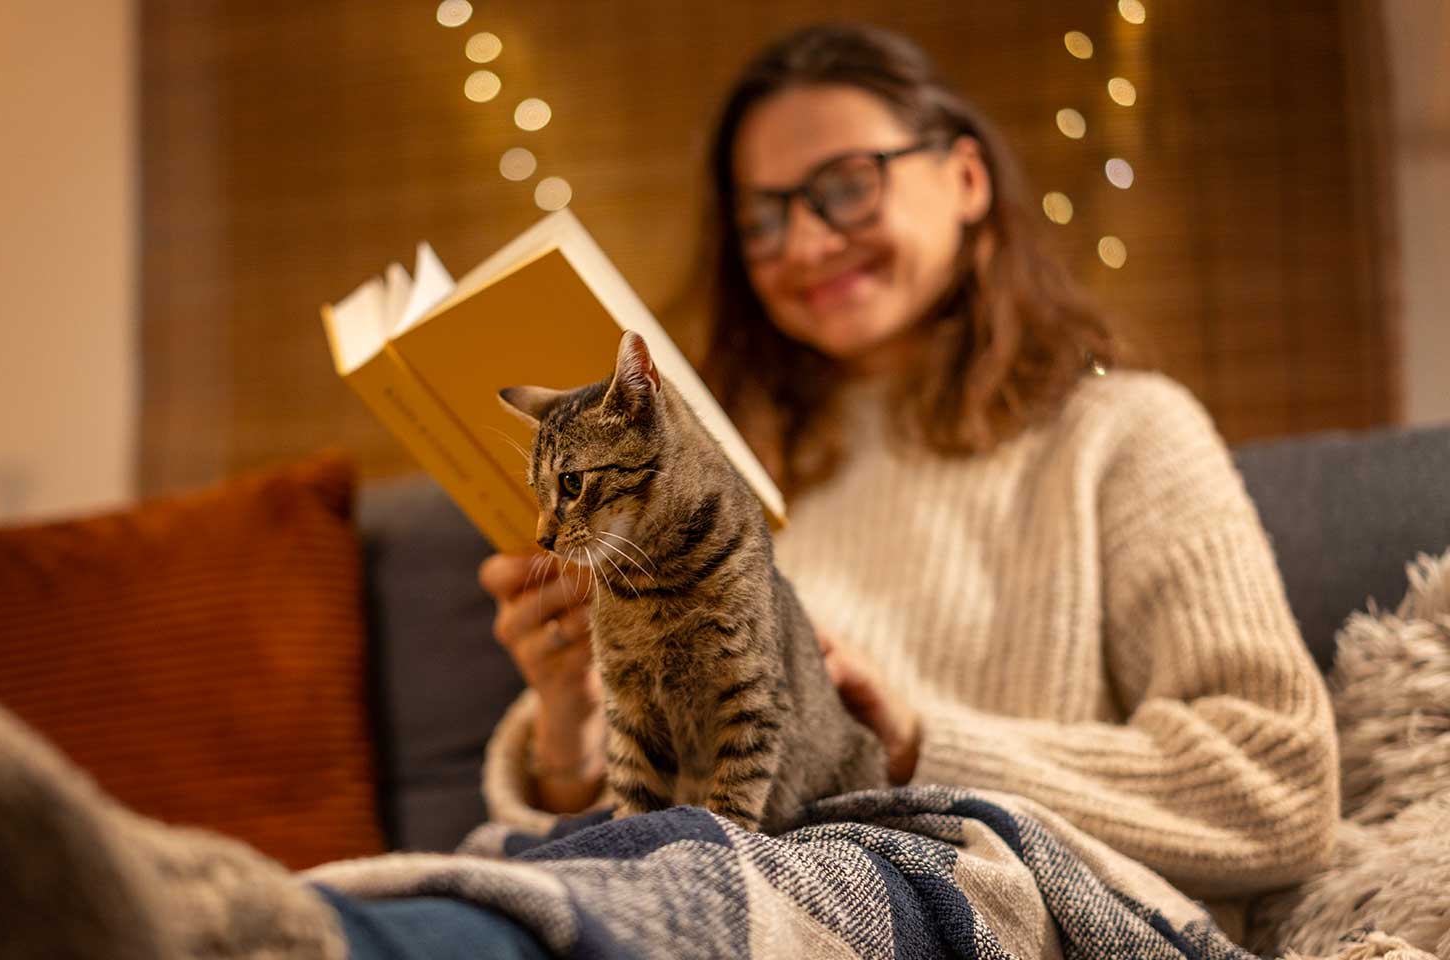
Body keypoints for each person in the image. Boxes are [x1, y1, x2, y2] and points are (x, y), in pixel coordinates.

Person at [476, 21, 1338, 936]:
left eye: (846, 187)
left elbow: (1281, 786)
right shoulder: (704, 462)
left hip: (948, 895)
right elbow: (630, 831)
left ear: (966, 178)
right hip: (714, 888)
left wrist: (919, 744)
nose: (804, 244)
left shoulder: (1125, 435)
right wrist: (570, 721)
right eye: (762, 218)